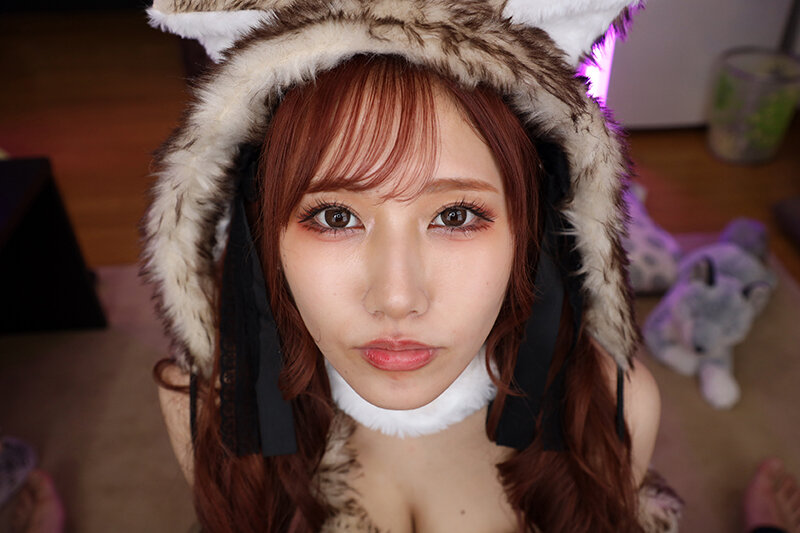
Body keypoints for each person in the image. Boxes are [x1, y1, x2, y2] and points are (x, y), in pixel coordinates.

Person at [143, 1, 672, 532]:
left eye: (455, 215)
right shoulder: (201, 411)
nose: (397, 298)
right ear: (262, 231)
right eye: (335, 216)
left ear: (532, 226)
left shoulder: (618, 408)